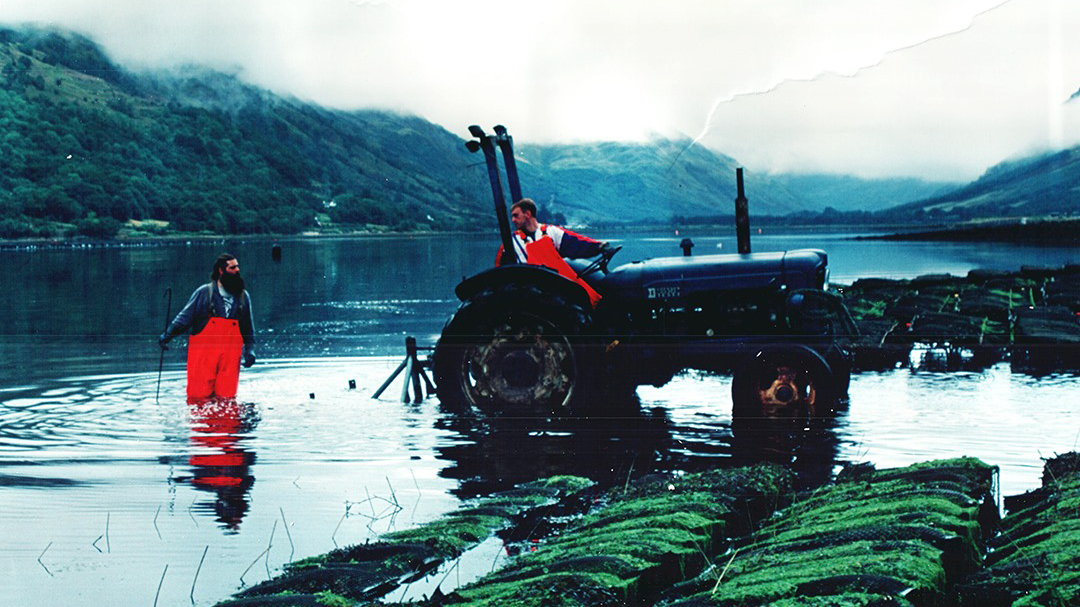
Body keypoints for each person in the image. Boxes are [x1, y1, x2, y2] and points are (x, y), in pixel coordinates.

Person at [159, 253, 256, 400]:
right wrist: (168, 335)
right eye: (232, 267)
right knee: (198, 397)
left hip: (230, 356)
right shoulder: (204, 292)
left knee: (227, 398)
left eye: (238, 267)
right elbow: (185, 318)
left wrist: (250, 350)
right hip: (204, 354)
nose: (237, 270)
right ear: (221, 271)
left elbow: (247, 327)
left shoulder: (243, 296)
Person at [496, 198, 611, 306]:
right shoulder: (510, 243)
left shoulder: (550, 231)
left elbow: (576, 243)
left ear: (528, 214)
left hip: (558, 287)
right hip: (533, 293)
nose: (513, 220)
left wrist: (600, 246)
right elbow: (502, 272)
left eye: (516, 216)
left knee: (591, 298)